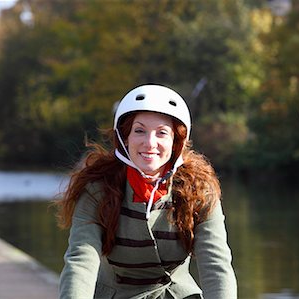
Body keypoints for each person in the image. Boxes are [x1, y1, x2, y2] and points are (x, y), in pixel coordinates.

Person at [56, 84, 237, 298]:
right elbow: (80, 262)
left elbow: (216, 265)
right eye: (139, 131)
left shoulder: (199, 190)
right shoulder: (97, 189)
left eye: (162, 133)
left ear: (176, 142)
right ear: (125, 138)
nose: (150, 143)